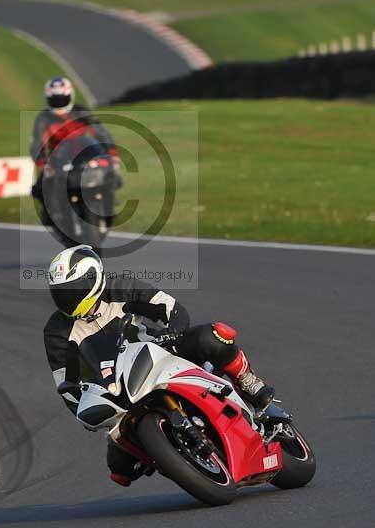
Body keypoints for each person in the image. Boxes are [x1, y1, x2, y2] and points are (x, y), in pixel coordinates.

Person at [43, 244, 275, 487]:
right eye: (60, 292)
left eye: (72, 290)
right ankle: (172, 456)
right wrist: (88, 411)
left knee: (212, 336)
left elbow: (171, 308)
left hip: (161, 354)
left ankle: (249, 382)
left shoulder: (120, 288)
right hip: (120, 392)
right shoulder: (57, 332)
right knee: (120, 470)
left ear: (93, 279)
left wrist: (172, 332)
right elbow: (68, 385)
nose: (66, 298)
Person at [30, 77, 119, 225]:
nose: (59, 104)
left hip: (83, 153)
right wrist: (42, 163)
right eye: (55, 100)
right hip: (57, 158)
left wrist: (112, 154)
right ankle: (50, 214)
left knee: (109, 175)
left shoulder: (81, 112)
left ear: (70, 96)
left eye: (62, 99)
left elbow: (100, 132)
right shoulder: (43, 118)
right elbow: (37, 144)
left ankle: (108, 209)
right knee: (41, 186)